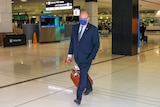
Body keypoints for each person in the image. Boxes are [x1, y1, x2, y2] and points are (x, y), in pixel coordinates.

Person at [66, 10, 100, 105]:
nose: (82, 20)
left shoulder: (93, 30)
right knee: (84, 74)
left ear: (88, 19)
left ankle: (78, 97)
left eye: (84, 19)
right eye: (81, 19)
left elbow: (96, 44)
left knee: (83, 76)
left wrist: (92, 56)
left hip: (87, 58)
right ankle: (89, 87)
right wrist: (70, 55)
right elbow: (72, 42)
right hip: (77, 57)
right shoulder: (75, 28)